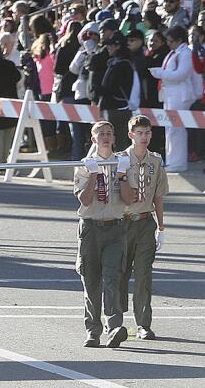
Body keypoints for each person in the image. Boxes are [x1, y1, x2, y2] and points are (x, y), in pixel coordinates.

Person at [73, 120, 129, 349]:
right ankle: (92, 330)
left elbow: (129, 199)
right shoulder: (84, 166)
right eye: (101, 133)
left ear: (114, 138)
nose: (105, 136)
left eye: (109, 133)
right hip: (91, 229)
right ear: (93, 138)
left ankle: (114, 327)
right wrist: (94, 175)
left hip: (115, 227)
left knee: (112, 278)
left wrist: (124, 176)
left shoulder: (122, 163)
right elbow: (84, 200)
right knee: (91, 281)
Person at [117, 115, 168, 341]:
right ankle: (115, 320)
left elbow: (158, 195)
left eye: (147, 133)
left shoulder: (155, 161)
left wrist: (161, 227)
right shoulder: (120, 160)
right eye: (139, 133)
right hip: (123, 222)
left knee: (144, 275)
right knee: (120, 272)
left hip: (146, 222)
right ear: (131, 135)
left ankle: (143, 324)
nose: (144, 137)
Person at [149, 26, 196, 171]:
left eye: (170, 40)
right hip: (170, 94)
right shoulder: (175, 52)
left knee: (177, 129)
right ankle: (171, 160)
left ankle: (178, 162)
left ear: (179, 40)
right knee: (170, 128)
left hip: (179, 95)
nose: (168, 43)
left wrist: (160, 73)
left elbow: (182, 74)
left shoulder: (185, 53)